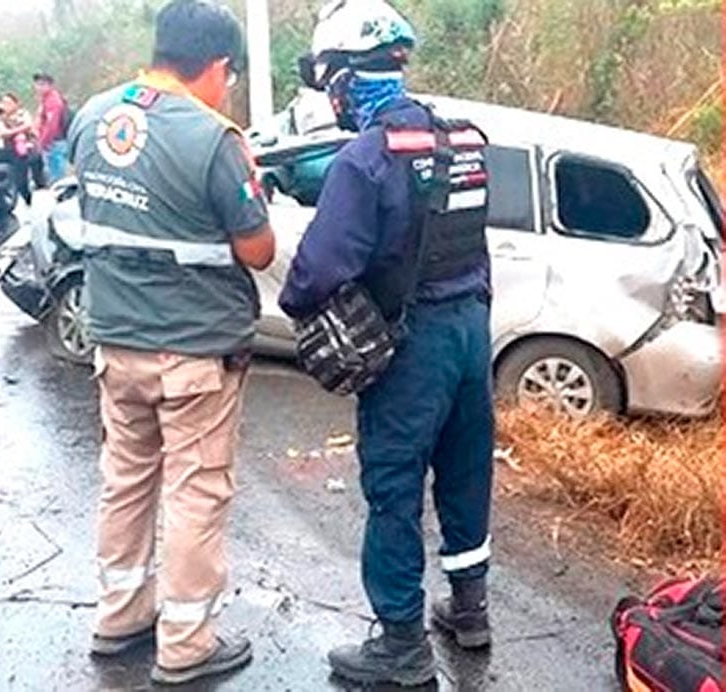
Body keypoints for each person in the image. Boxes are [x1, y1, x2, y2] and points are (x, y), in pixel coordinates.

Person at [279, 0, 495, 686]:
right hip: (470, 328)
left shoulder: (365, 159)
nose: (331, 96)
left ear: (345, 78)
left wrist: (298, 308)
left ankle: (401, 645)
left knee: (394, 487)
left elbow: (318, 268)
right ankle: (469, 608)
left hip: (411, 344)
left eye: (330, 82)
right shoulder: (462, 138)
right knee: (465, 472)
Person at [68, 0, 275, 686]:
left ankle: (119, 614)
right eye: (231, 76)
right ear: (217, 67)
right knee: (195, 492)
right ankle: (185, 644)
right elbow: (257, 247)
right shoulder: (213, 137)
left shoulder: (91, 117)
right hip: (191, 354)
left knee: (125, 481)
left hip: (114, 343)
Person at [0, 92, 45, 205]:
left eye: (9, 103)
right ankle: (28, 201)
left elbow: (28, 125)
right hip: (14, 153)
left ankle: (42, 200)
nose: (6, 105)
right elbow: (3, 133)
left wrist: (16, 131)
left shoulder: (23, 113)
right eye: (4, 103)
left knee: (39, 177)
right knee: (21, 181)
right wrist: (19, 131)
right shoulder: (0, 118)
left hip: (31, 149)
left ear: (16, 104)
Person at [33, 72, 69, 183]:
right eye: (37, 84)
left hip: (54, 143)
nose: (39, 87)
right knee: (53, 174)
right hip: (52, 143)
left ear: (50, 85)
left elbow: (51, 125)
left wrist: (43, 142)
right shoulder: (46, 100)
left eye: (43, 84)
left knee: (57, 178)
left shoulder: (53, 101)